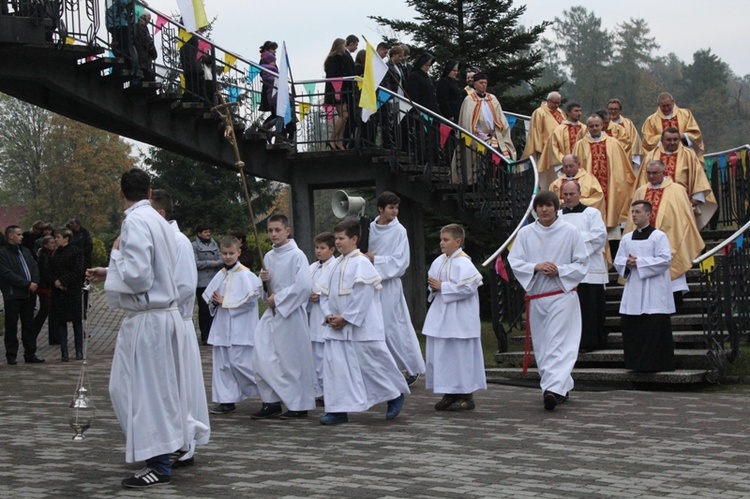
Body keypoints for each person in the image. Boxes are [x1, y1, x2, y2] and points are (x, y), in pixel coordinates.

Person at [88, 168, 208, 488]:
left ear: (120, 192)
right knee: (158, 390)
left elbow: (139, 276)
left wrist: (115, 261)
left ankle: (159, 461)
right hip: (163, 314)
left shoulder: (135, 221)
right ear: (150, 190)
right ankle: (175, 443)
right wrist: (110, 270)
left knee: (136, 391)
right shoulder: (157, 219)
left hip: (148, 318)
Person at [317, 219, 409, 425]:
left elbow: (363, 295)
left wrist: (347, 318)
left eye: (342, 238)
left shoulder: (361, 263)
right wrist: (328, 316)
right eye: (337, 238)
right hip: (336, 329)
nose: (338, 243)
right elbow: (323, 294)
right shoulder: (335, 265)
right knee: (336, 369)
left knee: (373, 364)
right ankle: (338, 410)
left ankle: (394, 394)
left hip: (361, 328)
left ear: (354, 239)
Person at [507, 191, 589, 411]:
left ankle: (552, 389)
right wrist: (535, 267)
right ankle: (561, 385)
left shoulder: (571, 232)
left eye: (548, 206)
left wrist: (559, 270)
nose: (544, 210)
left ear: (556, 207)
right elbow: (514, 260)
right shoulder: (526, 234)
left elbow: (582, 263)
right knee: (543, 346)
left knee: (558, 343)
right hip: (537, 297)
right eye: (540, 206)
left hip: (561, 295)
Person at [150, 189, 210, 468]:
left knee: (182, 385)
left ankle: (186, 446)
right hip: (165, 321)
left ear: (160, 214)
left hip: (178, 321)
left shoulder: (178, 242)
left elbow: (185, 286)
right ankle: (173, 440)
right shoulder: (161, 238)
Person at [251, 214, 317, 420]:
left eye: (277, 230)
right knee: (261, 357)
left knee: (290, 361)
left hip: (290, 315)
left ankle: (299, 403)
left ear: (287, 231)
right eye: (270, 230)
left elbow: (304, 286)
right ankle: (270, 401)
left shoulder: (297, 256)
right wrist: (263, 282)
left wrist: (278, 299)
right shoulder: (268, 257)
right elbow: (264, 291)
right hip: (272, 315)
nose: (273, 234)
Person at [422, 224, 485, 411]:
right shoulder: (439, 261)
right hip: (441, 317)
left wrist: (443, 287)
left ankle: (466, 394)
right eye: (441, 239)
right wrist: (434, 287)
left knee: (460, 355)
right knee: (444, 355)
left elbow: (468, 288)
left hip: (460, 318)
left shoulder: (465, 263)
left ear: (458, 242)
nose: (441, 243)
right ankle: (449, 392)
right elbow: (434, 286)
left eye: (446, 240)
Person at [625, 160, 704, 305]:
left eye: (655, 173)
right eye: (648, 173)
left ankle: (675, 303)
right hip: (643, 242)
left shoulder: (677, 190)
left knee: (670, 279)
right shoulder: (641, 191)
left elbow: (684, 218)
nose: (651, 176)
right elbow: (632, 218)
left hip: (670, 239)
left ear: (664, 172)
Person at [366, 192, 425, 385]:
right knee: (375, 327)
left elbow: (401, 261)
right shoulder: (371, 227)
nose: (395, 211)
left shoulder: (400, 231)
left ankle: (410, 367)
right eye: (391, 208)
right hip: (371, 284)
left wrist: (376, 259)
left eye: (396, 208)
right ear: (380, 209)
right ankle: (384, 368)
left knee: (393, 327)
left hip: (389, 284)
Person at [203, 236, 263, 415]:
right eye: (224, 253)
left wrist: (225, 301)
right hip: (222, 328)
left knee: (241, 364)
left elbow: (250, 303)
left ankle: (268, 392)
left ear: (238, 252)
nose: (228, 257)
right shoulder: (221, 274)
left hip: (240, 329)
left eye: (231, 253)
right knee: (222, 366)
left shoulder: (246, 275)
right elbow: (210, 299)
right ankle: (226, 400)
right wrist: (215, 302)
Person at [615, 200, 675, 372]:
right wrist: (627, 262)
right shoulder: (626, 238)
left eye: (638, 212)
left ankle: (656, 364)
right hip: (634, 287)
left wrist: (639, 262)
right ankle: (636, 364)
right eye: (632, 212)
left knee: (653, 326)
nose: (634, 215)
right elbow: (618, 260)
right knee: (633, 327)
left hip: (654, 289)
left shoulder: (659, 236)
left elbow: (665, 260)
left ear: (649, 214)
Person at [572, 114, 635, 252]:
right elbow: (576, 170)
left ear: (602, 126)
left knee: (612, 224)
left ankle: (613, 256)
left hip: (611, 189)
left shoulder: (613, 143)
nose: (594, 128)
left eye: (597, 125)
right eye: (591, 126)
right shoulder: (580, 145)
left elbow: (623, 168)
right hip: (590, 191)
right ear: (587, 127)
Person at [559, 181, 608, 352]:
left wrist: (572, 245)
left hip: (590, 269)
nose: (568, 197)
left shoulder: (592, 213)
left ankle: (592, 341)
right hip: (566, 269)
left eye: (572, 194)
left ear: (580, 193)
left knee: (591, 307)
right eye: (565, 194)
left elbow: (599, 236)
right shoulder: (557, 216)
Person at [638, 128, 717, 229]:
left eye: (675, 140)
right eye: (669, 140)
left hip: (682, 206)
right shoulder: (651, 156)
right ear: (661, 140)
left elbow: (699, 181)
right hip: (655, 209)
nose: (672, 143)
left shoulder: (689, 155)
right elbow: (642, 183)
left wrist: (691, 203)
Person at [453, 71, 516, 184]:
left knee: (504, 153)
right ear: (475, 84)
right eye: (481, 82)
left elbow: (501, 119)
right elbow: (466, 121)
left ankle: (502, 183)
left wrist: (497, 130)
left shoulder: (492, 98)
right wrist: (475, 131)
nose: (484, 85)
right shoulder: (469, 100)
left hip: (494, 135)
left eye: (485, 83)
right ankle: (480, 180)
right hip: (477, 136)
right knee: (484, 154)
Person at [0, 225, 43, 364]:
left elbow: (34, 266)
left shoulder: (24, 250)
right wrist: (26, 283)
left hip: (29, 294)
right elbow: (7, 273)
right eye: (18, 234)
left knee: (28, 325)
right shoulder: (3, 253)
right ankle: (11, 354)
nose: (22, 236)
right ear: (10, 236)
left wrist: (35, 281)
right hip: (13, 295)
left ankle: (30, 353)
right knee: (12, 325)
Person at [308, 231, 337, 404]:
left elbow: (338, 291)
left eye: (323, 248)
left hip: (327, 316)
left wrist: (320, 296)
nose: (318, 251)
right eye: (317, 248)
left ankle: (329, 390)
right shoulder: (312, 268)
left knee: (326, 358)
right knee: (315, 358)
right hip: (313, 318)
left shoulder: (336, 267)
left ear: (332, 249)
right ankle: (319, 390)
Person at [49, 228, 85, 361]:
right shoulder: (55, 253)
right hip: (59, 292)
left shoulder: (76, 252)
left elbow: (78, 270)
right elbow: (50, 270)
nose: (56, 240)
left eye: (58, 237)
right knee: (60, 322)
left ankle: (79, 351)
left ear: (66, 238)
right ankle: (64, 352)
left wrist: (64, 281)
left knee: (76, 322)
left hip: (72, 291)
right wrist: (55, 281)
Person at [642, 92, 704, 159]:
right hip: (661, 157)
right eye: (663, 106)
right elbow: (647, 141)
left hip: (684, 155)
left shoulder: (686, 114)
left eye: (668, 105)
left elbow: (696, 134)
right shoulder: (651, 120)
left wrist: (684, 136)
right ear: (658, 105)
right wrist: (663, 138)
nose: (666, 108)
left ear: (673, 101)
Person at [549, 154, 606, 219]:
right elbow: (550, 201)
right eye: (565, 167)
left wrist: (577, 203)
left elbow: (598, 198)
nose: (568, 169)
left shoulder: (590, 180)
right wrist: (561, 204)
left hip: (584, 217)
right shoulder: (556, 184)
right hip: (563, 218)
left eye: (571, 166)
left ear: (578, 165)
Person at [538, 102, 583, 181]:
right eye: (576, 111)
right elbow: (554, 149)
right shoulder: (559, 130)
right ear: (568, 112)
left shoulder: (584, 128)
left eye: (580, 111)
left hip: (582, 169)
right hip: (565, 170)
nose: (579, 113)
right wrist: (565, 165)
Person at [324, 38, 355, 150]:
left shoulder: (340, 58)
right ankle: (332, 139)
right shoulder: (333, 59)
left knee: (344, 116)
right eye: (343, 45)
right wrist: (337, 91)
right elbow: (334, 77)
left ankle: (339, 142)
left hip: (341, 90)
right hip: (336, 90)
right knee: (344, 115)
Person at [193, 224, 222, 345]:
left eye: (209, 232)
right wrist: (212, 263)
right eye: (205, 232)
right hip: (202, 282)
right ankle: (205, 335)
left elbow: (222, 259)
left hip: (214, 280)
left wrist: (217, 263)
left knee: (214, 308)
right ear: (199, 234)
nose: (208, 234)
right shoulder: (194, 246)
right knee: (204, 309)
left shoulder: (215, 244)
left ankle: (213, 334)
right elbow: (195, 263)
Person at [521, 92, 565, 166]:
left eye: (558, 103)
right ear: (548, 101)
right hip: (547, 149)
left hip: (561, 147)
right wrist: (539, 148)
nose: (557, 105)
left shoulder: (560, 112)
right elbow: (536, 131)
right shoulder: (539, 112)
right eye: (554, 103)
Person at [32, 235, 56, 345]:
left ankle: (53, 337)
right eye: (51, 243)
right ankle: (32, 333)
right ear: (45, 245)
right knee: (44, 310)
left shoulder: (49, 254)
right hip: (45, 287)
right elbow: (45, 272)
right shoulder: (44, 256)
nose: (53, 244)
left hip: (46, 286)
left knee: (48, 310)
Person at [608, 98, 644, 167]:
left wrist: (633, 159)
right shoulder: (602, 124)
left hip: (626, 161)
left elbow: (635, 141)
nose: (613, 111)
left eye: (615, 109)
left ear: (620, 111)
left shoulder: (628, 123)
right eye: (610, 109)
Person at [179, 29, 204, 103]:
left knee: (193, 86)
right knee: (192, 85)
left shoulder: (190, 37)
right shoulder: (187, 35)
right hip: (191, 63)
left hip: (192, 63)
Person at [134, 11, 157, 82]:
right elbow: (145, 41)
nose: (149, 21)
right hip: (142, 59)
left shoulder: (141, 26)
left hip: (144, 59)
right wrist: (151, 48)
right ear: (143, 16)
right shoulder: (140, 26)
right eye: (148, 19)